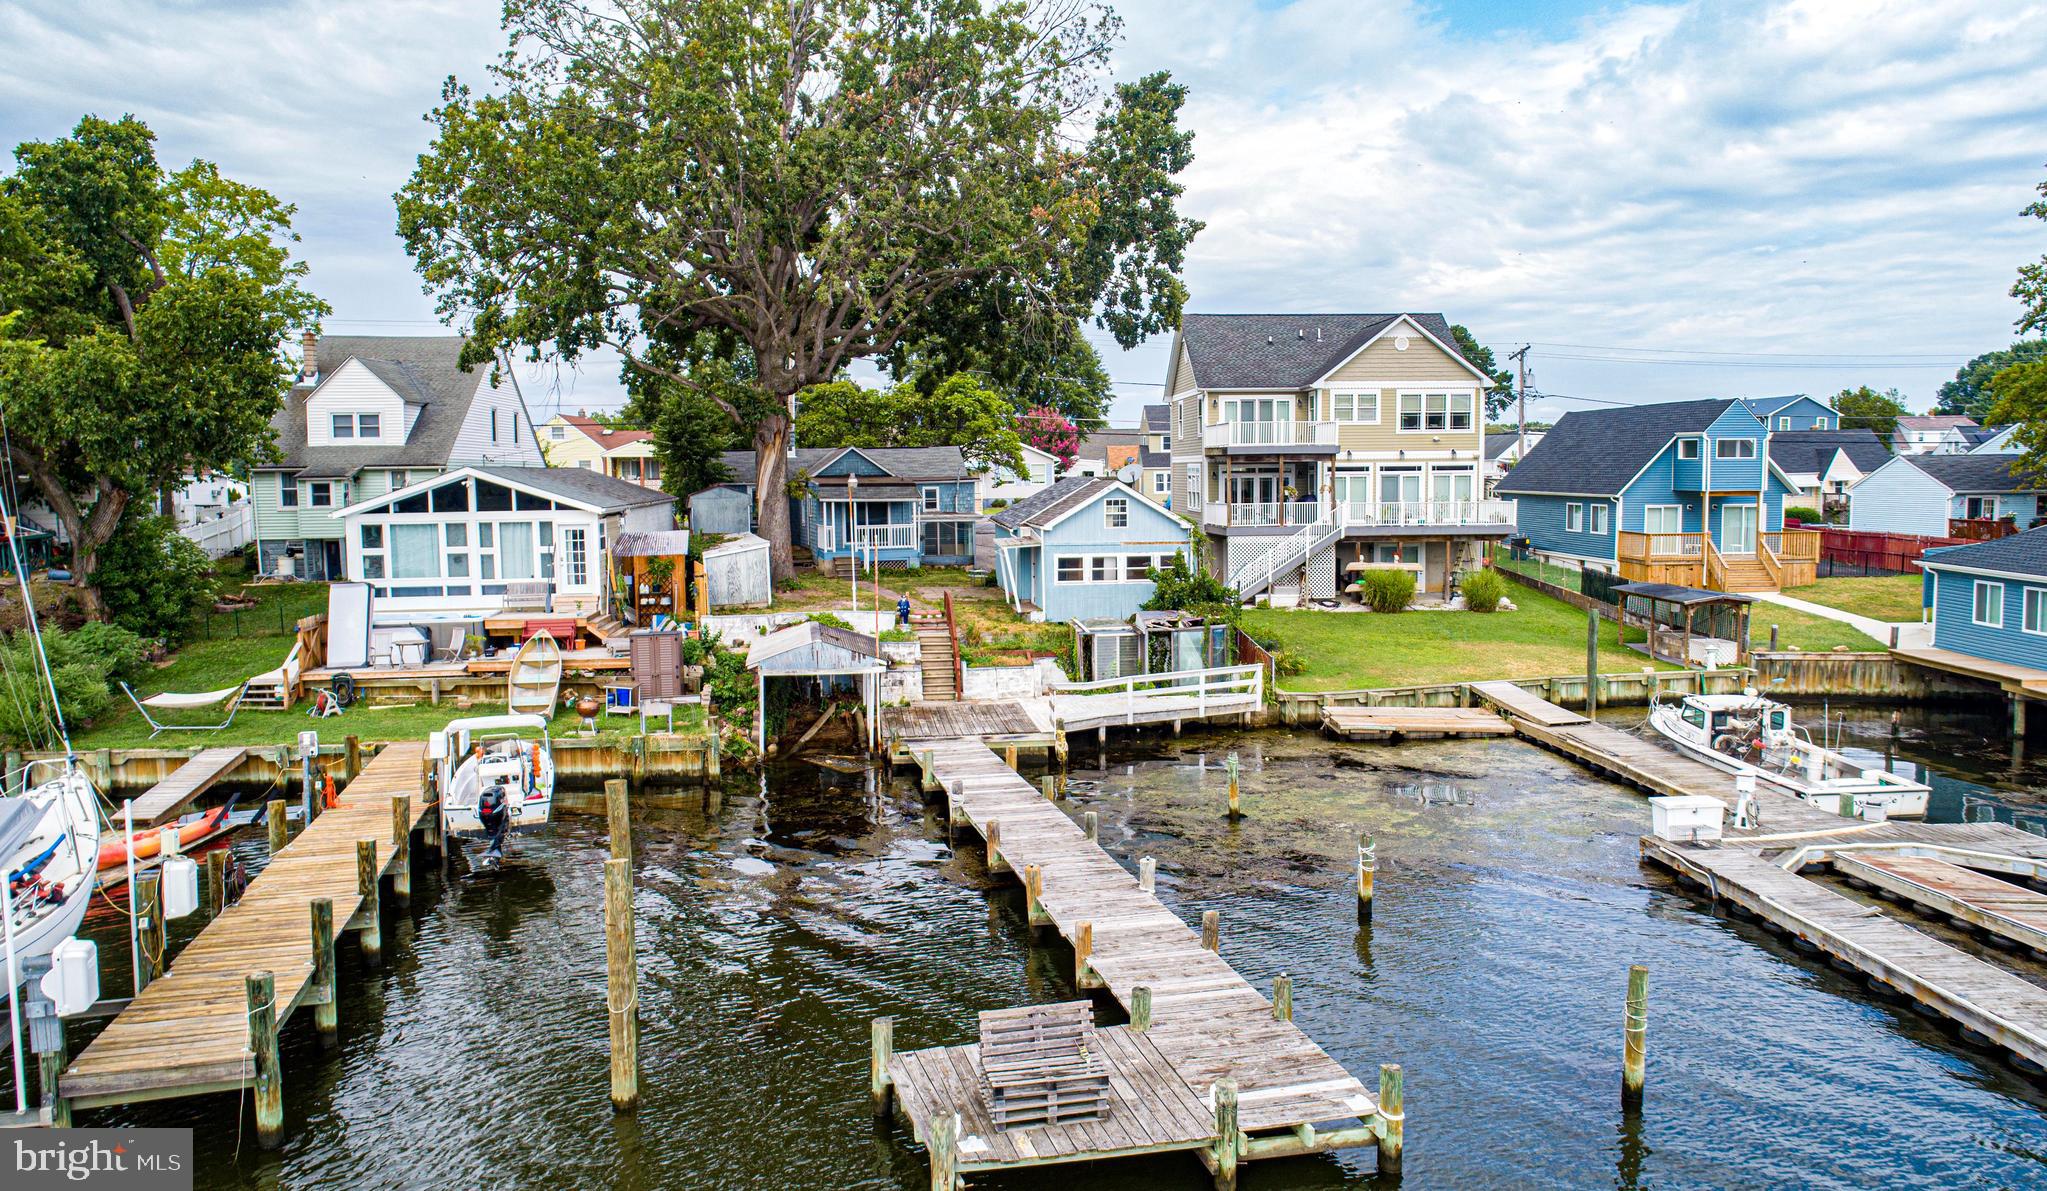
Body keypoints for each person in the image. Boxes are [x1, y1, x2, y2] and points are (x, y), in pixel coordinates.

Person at [477, 780, 510, 866]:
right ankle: (495, 849)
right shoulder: (499, 803)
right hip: (497, 818)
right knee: (499, 829)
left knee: (497, 830)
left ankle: (494, 849)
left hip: (494, 819)